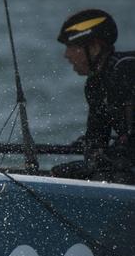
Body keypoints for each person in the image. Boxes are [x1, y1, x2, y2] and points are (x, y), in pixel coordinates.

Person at [51, 9, 135, 183]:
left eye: (72, 47)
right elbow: (97, 138)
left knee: (114, 173)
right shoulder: (94, 85)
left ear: (95, 47)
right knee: (65, 172)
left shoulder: (126, 70)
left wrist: (107, 157)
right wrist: (92, 153)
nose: (66, 55)